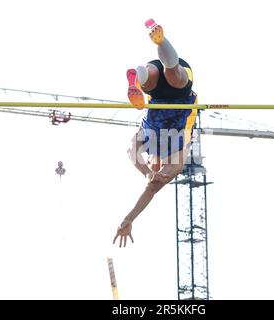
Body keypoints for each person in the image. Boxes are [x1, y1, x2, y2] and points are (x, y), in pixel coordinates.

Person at [113, 19, 198, 247]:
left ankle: (138, 78)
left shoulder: (147, 141)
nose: (156, 168)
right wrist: (153, 176)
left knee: (153, 77)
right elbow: (152, 184)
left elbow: (131, 151)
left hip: (157, 97)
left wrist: (146, 173)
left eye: (153, 165)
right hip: (180, 97)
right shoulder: (177, 156)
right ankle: (148, 62)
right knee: (175, 76)